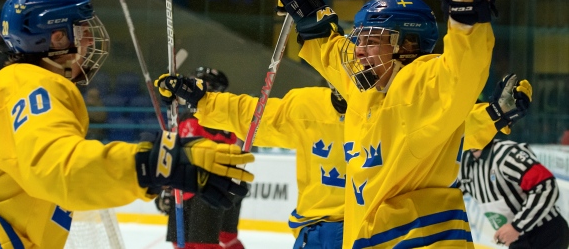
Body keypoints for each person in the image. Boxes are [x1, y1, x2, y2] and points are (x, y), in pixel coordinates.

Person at [0, 0, 254, 249]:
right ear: (56, 38)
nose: (91, 41)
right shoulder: (34, 83)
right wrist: (155, 165)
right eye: (82, 30)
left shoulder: (6, 85)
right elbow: (59, 168)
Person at [274, 0, 496, 248]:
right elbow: (335, 53)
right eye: (359, 39)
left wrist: (465, 14)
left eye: (372, 40)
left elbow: (463, 72)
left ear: (407, 43)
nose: (359, 51)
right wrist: (310, 18)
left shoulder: (420, 86)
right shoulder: (367, 88)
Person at [157, 73, 519, 249]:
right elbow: (255, 114)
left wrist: (494, 114)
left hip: (379, 231)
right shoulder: (308, 106)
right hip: (324, 232)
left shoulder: (393, 108)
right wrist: (204, 101)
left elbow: (448, 124)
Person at [459, 75, 569, 248]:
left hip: (546, 234)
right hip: (519, 240)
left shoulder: (506, 153)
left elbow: (545, 185)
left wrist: (517, 226)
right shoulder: (466, 162)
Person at [157, 67, 247, 249]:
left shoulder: (216, 119)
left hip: (209, 186)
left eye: (198, 83)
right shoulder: (185, 116)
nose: (190, 89)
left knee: (204, 244)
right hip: (188, 186)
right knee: (182, 242)